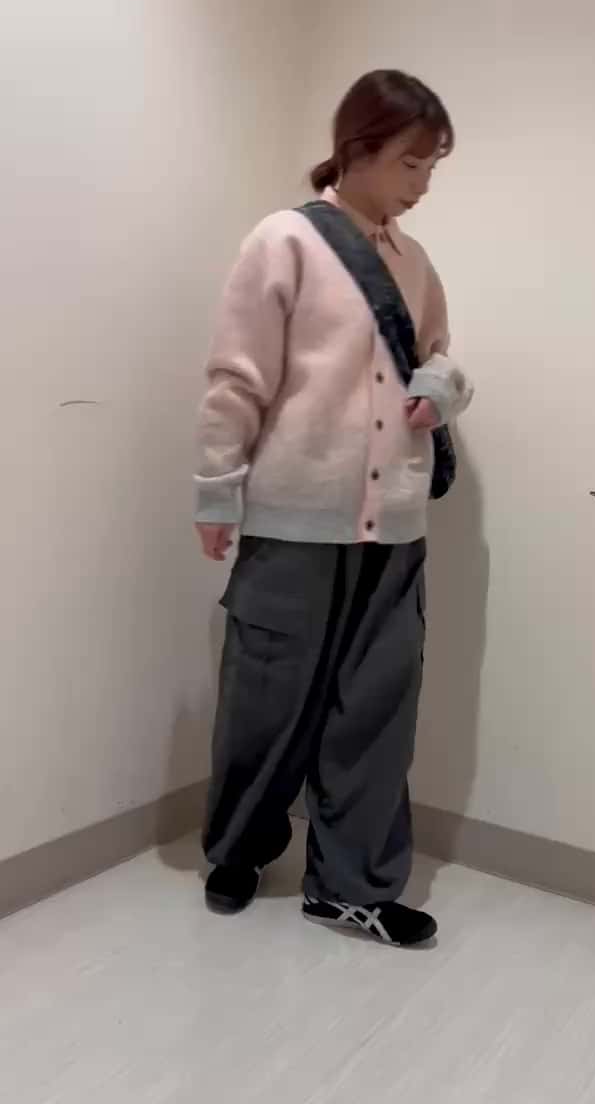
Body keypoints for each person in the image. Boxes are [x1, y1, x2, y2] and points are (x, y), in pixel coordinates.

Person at [194, 69, 473, 947]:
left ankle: (352, 886)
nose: (422, 185)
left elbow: (441, 356)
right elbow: (237, 379)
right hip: (292, 520)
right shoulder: (283, 241)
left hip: (397, 528)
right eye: (410, 164)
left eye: (432, 168)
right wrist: (217, 492)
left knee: (378, 710)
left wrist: (441, 388)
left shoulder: (415, 264)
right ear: (358, 149)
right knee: (265, 699)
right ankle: (239, 851)